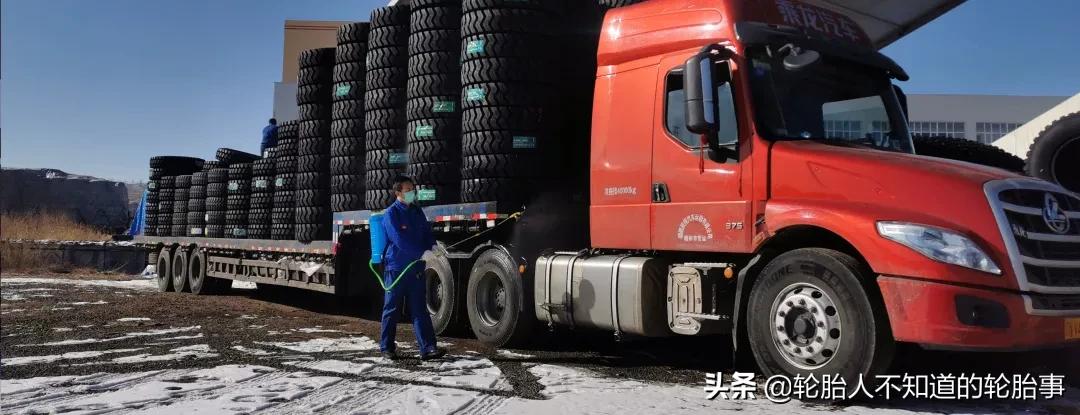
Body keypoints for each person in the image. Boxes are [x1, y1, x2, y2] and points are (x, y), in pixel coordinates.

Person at [379, 175, 446, 361]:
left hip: (416, 269)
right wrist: (420, 253)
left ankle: (428, 348)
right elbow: (398, 239)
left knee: (420, 309)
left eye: (413, 190)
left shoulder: (417, 212)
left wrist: (433, 246)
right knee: (392, 308)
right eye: (408, 190)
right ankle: (386, 347)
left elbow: (426, 232)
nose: (412, 193)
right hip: (397, 269)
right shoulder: (391, 214)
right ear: (398, 192)